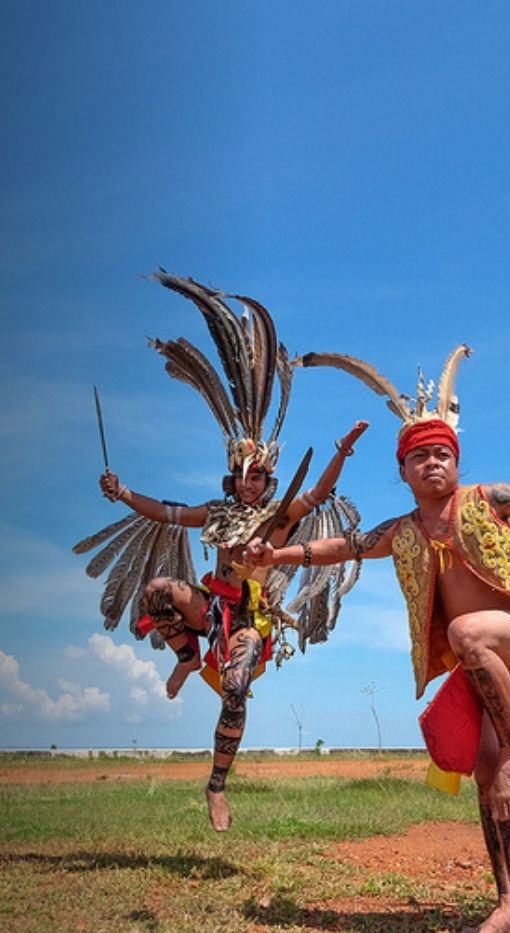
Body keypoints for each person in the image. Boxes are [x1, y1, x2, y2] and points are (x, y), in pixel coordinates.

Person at [246, 347, 510, 933]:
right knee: (484, 777)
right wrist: (276, 555)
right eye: (419, 456)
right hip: (482, 672)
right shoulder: (400, 533)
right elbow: (339, 547)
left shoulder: (487, 499)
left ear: (457, 460)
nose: (431, 464)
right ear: (402, 470)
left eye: (441, 454)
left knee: (467, 632)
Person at [77, 272, 365, 831]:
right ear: (235, 475)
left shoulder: (281, 522)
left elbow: (318, 494)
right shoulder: (217, 511)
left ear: (268, 478)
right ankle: (186, 656)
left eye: (259, 475)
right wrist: (122, 492)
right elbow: (164, 512)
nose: (251, 482)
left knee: (235, 689)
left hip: (250, 619)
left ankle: (216, 785)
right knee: (157, 590)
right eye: (244, 474)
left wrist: (341, 452)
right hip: (209, 605)